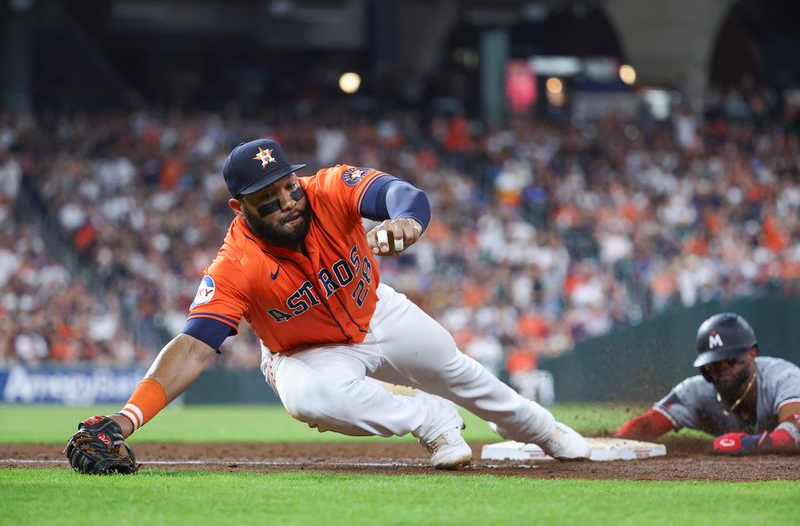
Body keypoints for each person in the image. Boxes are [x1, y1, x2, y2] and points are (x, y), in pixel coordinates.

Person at [65, 138, 589, 474]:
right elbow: (195, 347)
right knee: (309, 400)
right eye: (266, 198)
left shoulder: (330, 187)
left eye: (288, 187)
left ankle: (544, 431)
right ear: (238, 207)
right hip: (305, 352)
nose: (287, 202)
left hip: (376, 311)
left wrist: (407, 223)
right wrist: (128, 417)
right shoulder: (235, 264)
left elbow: (405, 195)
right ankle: (429, 419)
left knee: (467, 377)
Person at [615, 312, 800, 454]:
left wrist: (747, 443)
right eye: (714, 364)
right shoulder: (696, 392)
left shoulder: (784, 378)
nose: (722, 368)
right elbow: (646, 425)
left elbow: (795, 431)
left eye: (730, 360)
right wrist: (602, 446)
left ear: (752, 354)